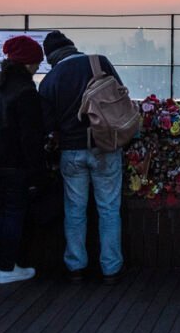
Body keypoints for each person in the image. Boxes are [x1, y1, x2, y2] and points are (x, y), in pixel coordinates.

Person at [39, 30, 125, 284]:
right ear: (72, 48)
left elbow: (47, 123)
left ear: (50, 58)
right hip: (106, 146)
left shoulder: (50, 81)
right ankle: (111, 268)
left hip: (72, 150)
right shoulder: (99, 62)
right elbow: (120, 98)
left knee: (74, 211)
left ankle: (76, 265)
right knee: (109, 209)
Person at [0, 35, 45, 284]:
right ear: (28, 64)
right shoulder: (26, 92)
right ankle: (7, 268)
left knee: (2, 212)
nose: (38, 67)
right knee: (14, 214)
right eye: (37, 62)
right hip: (16, 164)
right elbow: (31, 138)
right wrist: (38, 174)